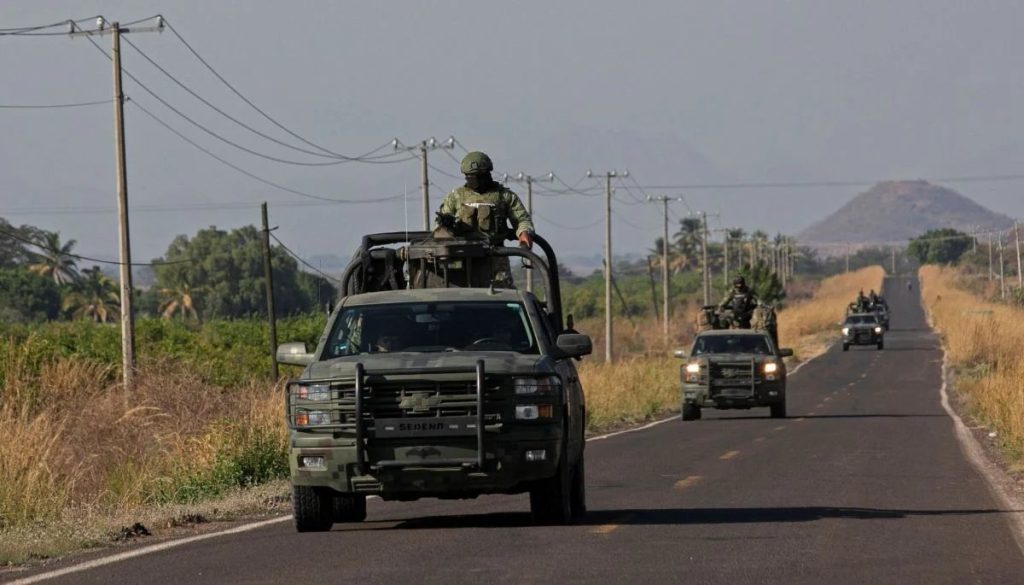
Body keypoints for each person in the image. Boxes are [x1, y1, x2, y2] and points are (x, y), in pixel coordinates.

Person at [436, 151, 536, 287]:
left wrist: (524, 233)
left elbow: (522, 220)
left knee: (502, 293)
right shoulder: (455, 197)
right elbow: (440, 228)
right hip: (463, 258)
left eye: (478, 176)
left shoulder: (504, 196)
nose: (474, 180)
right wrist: (446, 224)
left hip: (495, 255)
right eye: (470, 177)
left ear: (487, 173)